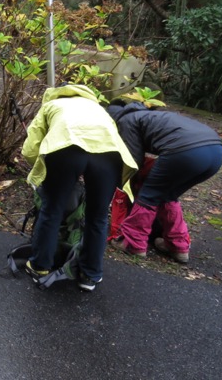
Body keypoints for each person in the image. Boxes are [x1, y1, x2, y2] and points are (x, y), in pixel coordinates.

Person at [21, 84, 138, 292]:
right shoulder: (99, 110)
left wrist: (45, 170)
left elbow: (30, 149)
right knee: (98, 216)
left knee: (52, 208)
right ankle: (90, 275)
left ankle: (40, 266)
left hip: (66, 149)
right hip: (109, 154)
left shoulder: (53, 105)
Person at [107, 101, 222, 263]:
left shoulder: (126, 121)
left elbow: (133, 161)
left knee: (149, 194)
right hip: (216, 153)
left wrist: (125, 184)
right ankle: (178, 246)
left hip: (186, 151)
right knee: (168, 195)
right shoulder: (150, 115)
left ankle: (133, 243)